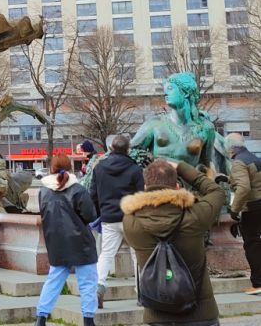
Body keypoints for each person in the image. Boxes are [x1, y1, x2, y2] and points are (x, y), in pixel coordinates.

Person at [121, 159, 224, 326]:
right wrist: (182, 167)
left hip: (157, 316)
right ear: (177, 186)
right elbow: (216, 191)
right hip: (201, 314)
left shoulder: (131, 222)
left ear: (146, 188)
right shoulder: (195, 215)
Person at [35, 153, 98, 326]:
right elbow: (90, 215)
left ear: (51, 168)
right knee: (87, 282)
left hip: (56, 242)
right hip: (81, 242)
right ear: (70, 168)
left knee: (53, 280)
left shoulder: (43, 191)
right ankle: (88, 319)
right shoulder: (77, 189)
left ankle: (41, 317)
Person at [89, 134, 144, 307]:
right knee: (137, 255)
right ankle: (141, 294)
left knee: (106, 254)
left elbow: (93, 195)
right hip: (130, 217)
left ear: (111, 148)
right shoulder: (135, 169)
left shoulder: (99, 168)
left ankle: (99, 288)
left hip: (109, 218)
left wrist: (101, 213)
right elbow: (140, 196)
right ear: (128, 149)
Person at [226, 132, 261, 295]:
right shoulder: (254, 158)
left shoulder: (239, 162)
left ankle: (258, 284)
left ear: (231, 148)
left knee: (252, 244)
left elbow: (244, 188)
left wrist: (234, 209)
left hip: (252, 208)